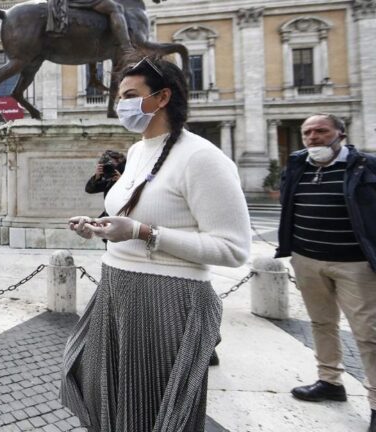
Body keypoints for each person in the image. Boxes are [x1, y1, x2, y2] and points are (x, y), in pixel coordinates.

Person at [61, 56, 251, 431]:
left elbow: (233, 249)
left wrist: (142, 233)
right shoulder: (135, 151)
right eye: (119, 97)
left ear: (162, 97)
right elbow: (132, 216)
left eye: (130, 95)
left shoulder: (201, 157)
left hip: (167, 299)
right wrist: (98, 227)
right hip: (115, 287)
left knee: (145, 408)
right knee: (100, 391)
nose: (121, 105)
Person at [275, 113, 376, 431]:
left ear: (340, 133)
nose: (313, 137)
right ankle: (329, 380)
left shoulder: (366, 166)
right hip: (307, 259)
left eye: (321, 131)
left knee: (369, 334)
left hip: (355, 264)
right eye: (307, 133)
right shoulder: (297, 164)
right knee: (322, 323)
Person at [85, 149, 125, 215]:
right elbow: (89, 189)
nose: (110, 167)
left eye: (112, 164)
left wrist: (122, 180)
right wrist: (97, 176)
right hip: (109, 214)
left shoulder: (129, 177)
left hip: (124, 215)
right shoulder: (109, 181)